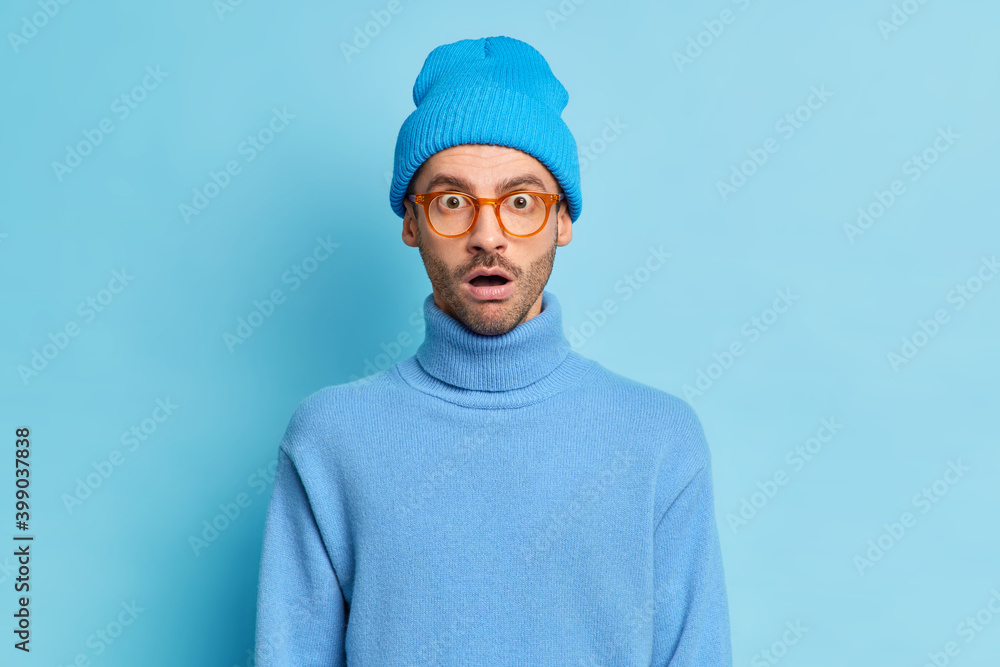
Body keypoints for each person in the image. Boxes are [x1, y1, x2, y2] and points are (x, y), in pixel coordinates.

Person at [255, 34, 732, 666]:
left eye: (521, 202)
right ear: (411, 222)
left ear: (562, 219)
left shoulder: (660, 438)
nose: (489, 236)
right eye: (452, 202)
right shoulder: (329, 438)